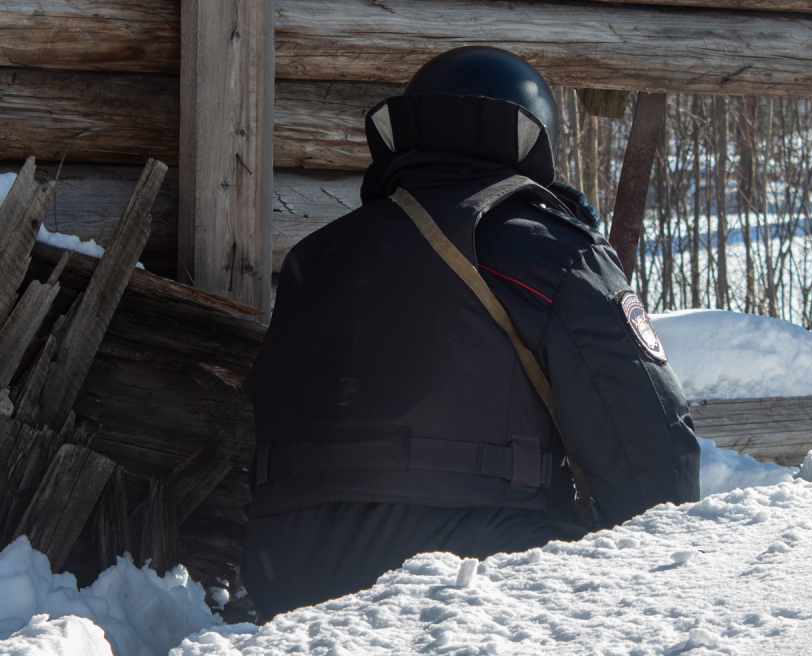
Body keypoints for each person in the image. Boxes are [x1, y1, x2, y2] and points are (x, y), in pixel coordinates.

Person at [240, 46, 700, 619]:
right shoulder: (554, 251)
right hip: (474, 576)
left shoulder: (316, 258)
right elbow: (650, 447)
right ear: (535, 144)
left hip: (283, 579)